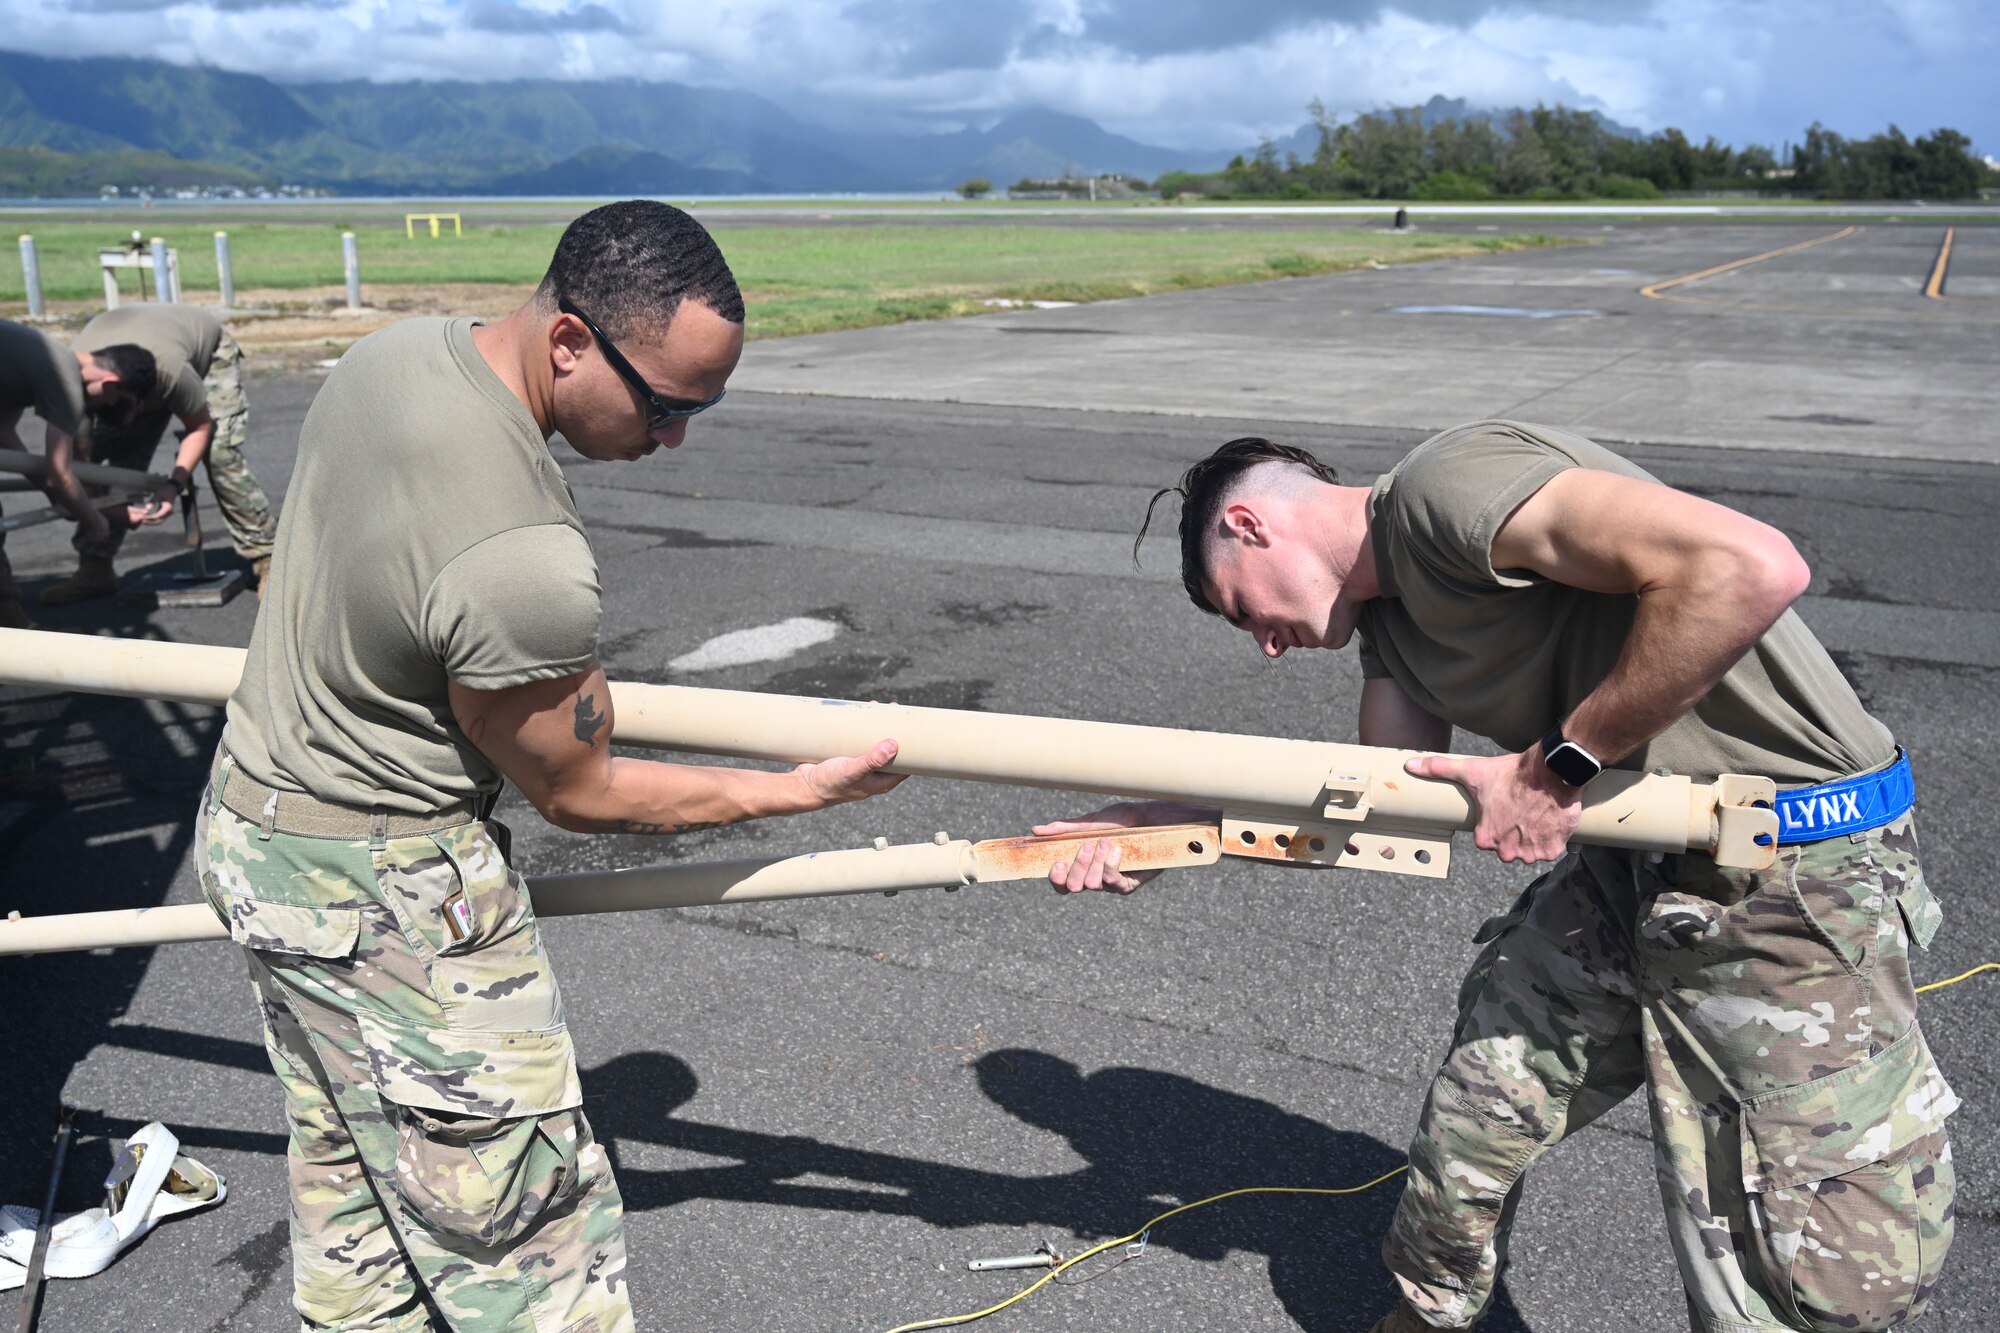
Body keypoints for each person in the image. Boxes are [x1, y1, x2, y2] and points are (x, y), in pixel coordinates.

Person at [1041, 423, 1957, 1333]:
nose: (1264, 645)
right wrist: (1163, 829)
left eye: (1238, 609)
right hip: (1634, 864)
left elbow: (1751, 566)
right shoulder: (1391, 629)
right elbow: (1372, 811)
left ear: (1248, 525)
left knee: (1817, 1273)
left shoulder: (1449, 489)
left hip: (1796, 868)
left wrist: (1556, 766)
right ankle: (1428, 1317)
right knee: (1475, 1118)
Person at [196, 200, 904, 1332]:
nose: (676, 437)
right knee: (526, 1249)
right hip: (388, 889)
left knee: (353, 1188)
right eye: (667, 404)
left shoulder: (390, 358)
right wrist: (797, 789)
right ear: (570, 340)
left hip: (255, 831)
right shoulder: (521, 557)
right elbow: (582, 789)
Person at [42, 303, 277, 604]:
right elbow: (79, 468)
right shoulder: (71, 382)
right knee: (116, 460)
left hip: (205, 352)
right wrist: (104, 511)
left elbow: (200, 428)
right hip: (132, 360)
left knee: (220, 454)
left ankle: (268, 559)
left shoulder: (173, 372)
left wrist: (173, 484)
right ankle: (95, 568)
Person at [0, 317, 157, 628]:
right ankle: (9, 627)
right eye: (114, 401)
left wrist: (64, 501)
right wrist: (94, 521)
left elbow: (6, 437)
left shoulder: (31, 362)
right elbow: (60, 471)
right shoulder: (66, 379)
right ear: (110, 383)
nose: (106, 407)